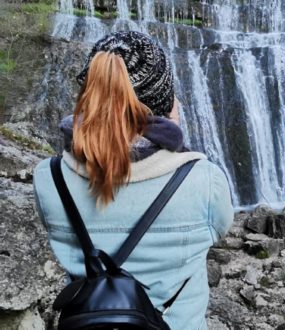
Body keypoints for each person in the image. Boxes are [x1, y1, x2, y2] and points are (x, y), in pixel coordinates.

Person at [33, 31, 234, 330]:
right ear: (166, 104)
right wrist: (173, 136)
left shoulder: (48, 178)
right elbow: (219, 228)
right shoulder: (204, 181)